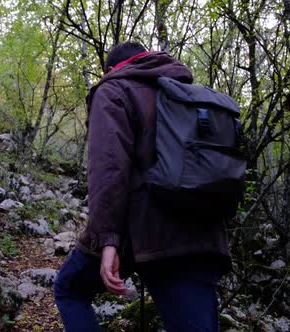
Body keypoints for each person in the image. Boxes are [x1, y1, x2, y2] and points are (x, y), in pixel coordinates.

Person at [53, 41, 231, 332]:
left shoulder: (114, 90)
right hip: (203, 234)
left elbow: (109, 169)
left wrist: (107, 239)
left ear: (112, 69)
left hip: (149, 229)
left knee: (70, 289)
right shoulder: (189, 95)